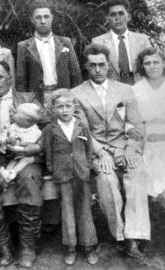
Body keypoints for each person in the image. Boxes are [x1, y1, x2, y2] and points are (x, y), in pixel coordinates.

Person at [0, 61, 50, 268]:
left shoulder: (27, 98)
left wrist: (36, 147)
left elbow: (48, 126)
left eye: (0, 76)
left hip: (25, 156)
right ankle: (3, 245)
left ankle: (27, 246)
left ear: (9, 77)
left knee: (29, 179)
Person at [72, 44, 149, 258]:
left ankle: (136, 234)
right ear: (86, 66)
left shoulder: (125, 90)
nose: (97, 69)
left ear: (108, 66)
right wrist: (102, 153)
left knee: (137, 175)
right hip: (97, 151)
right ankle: (121, 236)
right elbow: (82, 131)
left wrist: (131, 149)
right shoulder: (76, 94)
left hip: (124, 146)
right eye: (93, 65)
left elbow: (136, 124)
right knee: (107, 181)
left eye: (102, 65)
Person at [43, 89, 98, 265]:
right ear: (53, 109)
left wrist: (87, 167)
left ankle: (89, 246)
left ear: (74, 106)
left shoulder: (82, 126)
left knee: (85, 209)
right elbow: (48, 153)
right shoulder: (50, 130)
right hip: (63, 174)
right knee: (67, 210)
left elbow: (88, 149)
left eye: (68, 106)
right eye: (60, 107)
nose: (64, 110)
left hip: (82, 173)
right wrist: (53, 169)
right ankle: (71, 247)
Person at [16, 0, 82, 105]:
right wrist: (26, 104)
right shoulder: (23, 46)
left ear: (52, 17)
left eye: (46, 16)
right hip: (37, 98)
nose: (43, 21)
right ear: (32, 20)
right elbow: (21, 82)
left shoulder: (65, 42)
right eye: (38, 17)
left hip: (63, 96)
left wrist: (75, 99)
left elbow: (75, 75)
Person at [92, 0, 151, 85]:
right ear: (107, 19)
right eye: (113, 15)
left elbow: (151, 66)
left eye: (121, 13)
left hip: (140, 87)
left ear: (128, 17)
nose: (117, 18)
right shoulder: (98, 42)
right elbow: (95, 72)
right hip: (112, 89)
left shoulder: (142, 40)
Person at [132, 47, 165, 197]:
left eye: (156, 62)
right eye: (147, 63)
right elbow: (131, 121)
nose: (152, 66)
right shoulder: (136, 90)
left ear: (163, 64)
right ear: (142, 66)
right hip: (145, 140)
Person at [0, 103, 43, 182]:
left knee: (24, 161)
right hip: (15, 153)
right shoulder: (13, 126)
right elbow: (6, 136)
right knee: (13, 161)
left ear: (28, 121)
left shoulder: (35, 132)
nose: (14, 115)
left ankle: (14, 171)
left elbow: (30, 145)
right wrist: (8, 140)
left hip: (27, 155)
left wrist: (18, 143)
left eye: (17, 114)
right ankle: (7, 174)